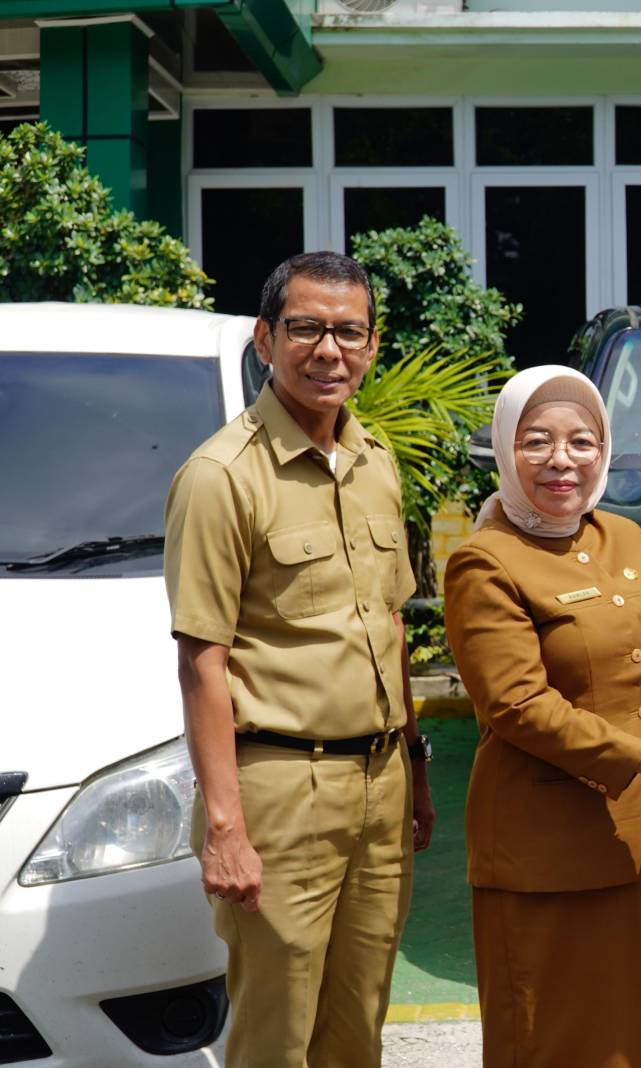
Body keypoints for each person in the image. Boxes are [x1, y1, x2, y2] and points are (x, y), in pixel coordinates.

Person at [165, 251, 435, 1067]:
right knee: (275, 1036)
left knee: (357, 1027)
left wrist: (415, 765)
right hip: (281, 791)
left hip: (379, 785)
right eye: (306, 328)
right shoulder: (220, 476)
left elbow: (389, 625)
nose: (329, 351)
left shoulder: (374, 461)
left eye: (348, 332)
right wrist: (225, 829)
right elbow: (202, 661)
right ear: (266, 339)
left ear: (372, 345)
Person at [443, 366, 641, 1068]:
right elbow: (517, 705)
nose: (561, 460)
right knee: (550, 1042)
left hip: (634, 839)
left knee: (631, 1041)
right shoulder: (484, 561)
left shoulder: (622, 536)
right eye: (536, 441)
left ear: (605, 450)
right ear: (505, 449)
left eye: (582, 441)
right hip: (543, 853)